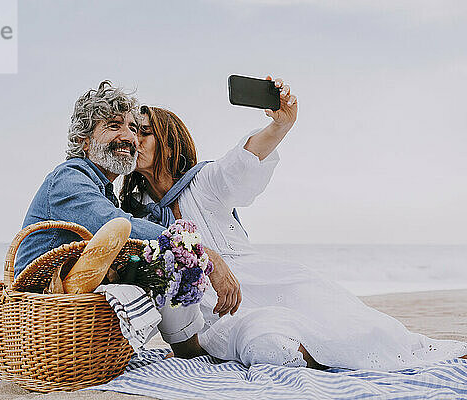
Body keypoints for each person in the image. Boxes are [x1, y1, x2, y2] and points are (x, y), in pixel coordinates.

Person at [120, 76, 467, 370]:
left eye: (145, 133)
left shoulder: (205, 182)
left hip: (270, 282)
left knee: (362, 330)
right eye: (133, 132)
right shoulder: (134, 212)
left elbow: (242, 163)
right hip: (216, 308)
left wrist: (280, 124)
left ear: (169, 140)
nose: (134, 140)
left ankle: (413, 357)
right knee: (269, 345)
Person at [14, 81, 241, 358]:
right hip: (43, 311)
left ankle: (189, 349)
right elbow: (116, 225)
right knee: (164, 255)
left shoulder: (104, 190)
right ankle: (189, 351)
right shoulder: (69, 178)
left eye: (133, 128)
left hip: (69, 315)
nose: (129, 137)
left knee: (161, 264)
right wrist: (201, 251)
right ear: (82, 142)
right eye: (113, 126)